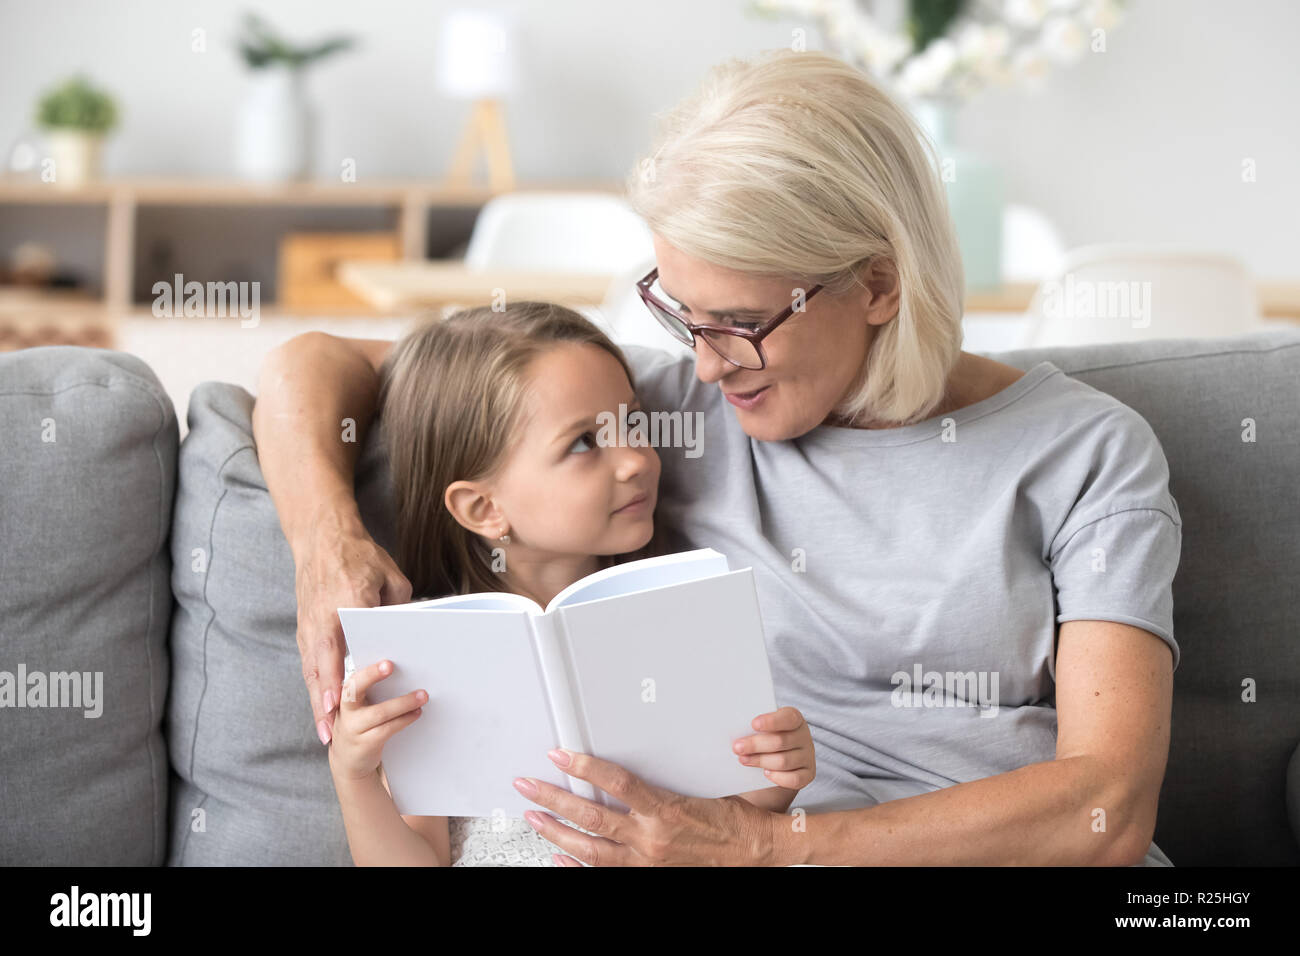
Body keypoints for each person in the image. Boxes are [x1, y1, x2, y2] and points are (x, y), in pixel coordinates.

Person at [252, 49, 1181, 866]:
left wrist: (772, 849)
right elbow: (312, 364)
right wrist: (325, 537)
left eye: (741, 323)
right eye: (680, 314)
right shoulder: (656, 418)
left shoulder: (1086, 454)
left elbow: (1107, 807)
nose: (702, 362)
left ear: (877, 285)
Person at [323, 303, 816, 865]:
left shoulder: (679, 615)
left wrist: (778, 776)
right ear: (484, 508)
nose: (634, 459)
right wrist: (355, 776)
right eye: (584, 443)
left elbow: (728, 824)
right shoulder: (429, 658)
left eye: (632, 423)